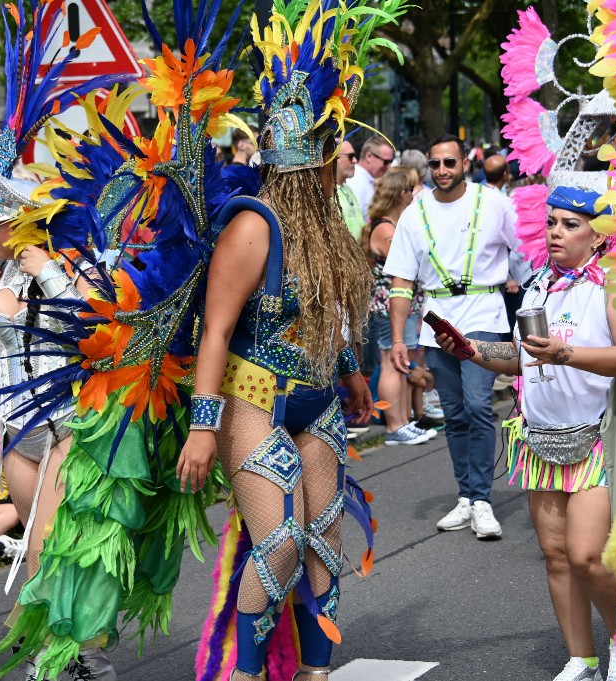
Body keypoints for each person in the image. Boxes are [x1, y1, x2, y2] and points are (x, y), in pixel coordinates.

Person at [179, 3, 393, 677]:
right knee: (278, 546)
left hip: (320, 398)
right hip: (255, 397)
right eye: (336, 155)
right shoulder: (254, 226)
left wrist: (355, 371)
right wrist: (201, 425)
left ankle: (317, 670)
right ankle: (242, 673)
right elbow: (214, 329)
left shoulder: (329, 225)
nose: (340, 165)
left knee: (324, 543)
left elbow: (334, 312)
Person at [437, 185, 616, 681]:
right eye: (552, 222)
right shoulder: (537, 285)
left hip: (594, 437)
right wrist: (470, 351)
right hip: (540, 439)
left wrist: (566, 355)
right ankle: (582, 659)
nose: (555, 231)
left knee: (588, 555)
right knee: (556, 556)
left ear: (597, 236)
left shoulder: (614, 284)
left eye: (570, 224)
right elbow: (522, 357)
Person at [0, 159, 108, 679]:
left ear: (23, 222)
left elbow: (94, 333)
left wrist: (51, 273)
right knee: (45, 548)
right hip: (18, 428)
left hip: (68, 423)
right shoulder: (4, 272)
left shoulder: (76, 265)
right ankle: (66, 654)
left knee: (53, 547)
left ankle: (73, 655)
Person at [384, 133, 517, 540]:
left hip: (483, 312)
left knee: (478, 405)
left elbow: (528, 251)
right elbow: (402, 282)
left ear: (465, 164)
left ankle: (482, 500)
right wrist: (399, 339)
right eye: (436, 164)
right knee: (455, 414)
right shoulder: (414, 212)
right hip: (436, 320)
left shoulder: (493, 202)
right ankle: (467, 496)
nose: (442, 170)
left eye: (450, 163)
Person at [360, 169, 435, 446]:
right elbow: (406, 263)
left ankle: (404, 421)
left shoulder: (393, 225)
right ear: (400, 194)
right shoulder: (385, 229)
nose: (414, 196)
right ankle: (394, 425)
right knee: (390, 363)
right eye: (410, 191)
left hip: (400, 305)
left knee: (401, 363)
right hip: (387, 306)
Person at [345, 135, 394, 219]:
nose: (389, 167)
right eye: (386, 162)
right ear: (369, 157)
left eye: (391, 162)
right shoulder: (357, 181)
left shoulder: (365, 179)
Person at [335, 139, 364, 239]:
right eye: (350, 156)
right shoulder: (326, 194)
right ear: (335, 158)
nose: (355, 161)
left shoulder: (347, 188)